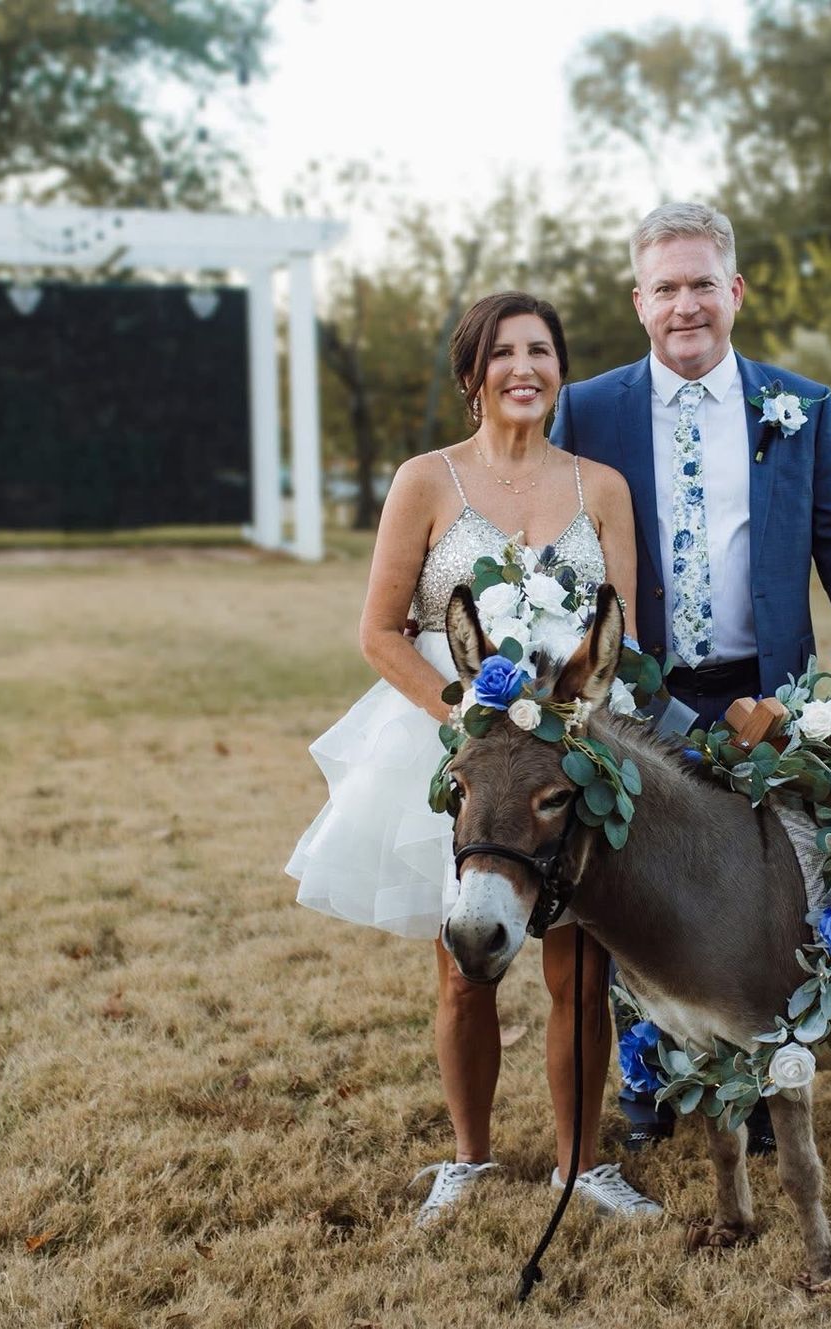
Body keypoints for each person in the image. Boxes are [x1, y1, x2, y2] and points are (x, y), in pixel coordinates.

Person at [286, 292, 661, 1226]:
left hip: (568, 762)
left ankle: (581, 1165)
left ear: (561, 369)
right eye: (503, 353)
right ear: (471, 374)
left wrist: (569, 720)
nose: (523, 368)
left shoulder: (603, 488)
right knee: (465, 963)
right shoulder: (426, 480)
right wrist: (464, 711)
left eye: (541, 351)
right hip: (457, 750)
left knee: (582, 971)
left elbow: (624, 638)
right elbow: (380, 631)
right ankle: (469, 1157)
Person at [551, 202, 831, 1152]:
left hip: (766, 693)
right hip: (636, 693)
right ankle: (650, 1088)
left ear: (736, 291)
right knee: (636, 884)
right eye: (665, 287)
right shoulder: (588, 409)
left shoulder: (799, 406)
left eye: (703, 283)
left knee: (765, 889)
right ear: (638, 301)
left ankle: (756, 1085)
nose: (686, 306)